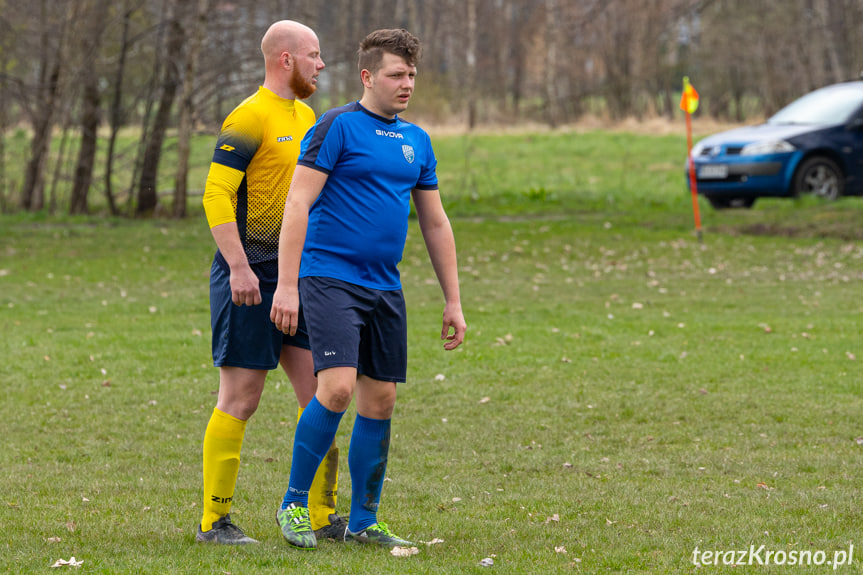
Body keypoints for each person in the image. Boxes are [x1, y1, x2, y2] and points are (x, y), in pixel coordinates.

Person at [269, 28, 466, 550]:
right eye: (396, 75)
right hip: (329, 278)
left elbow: (436, 223)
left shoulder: (416, 141)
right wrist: (286, 286)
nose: (407, 84)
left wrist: (453, 299)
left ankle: (363, 520)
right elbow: (297, 204)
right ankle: (292, 504)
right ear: (367, 76)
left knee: (380, 401)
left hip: (385, 286)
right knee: (335, 388)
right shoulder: (337, 126)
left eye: (412, 75)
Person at [197, 20, 346, 545]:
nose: (321, 64)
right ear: (286, 59)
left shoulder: (307, 116)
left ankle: (325, 516)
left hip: (299, 277)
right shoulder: (249, 115)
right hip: (250, 275)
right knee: (241, 397)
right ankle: (215, 522)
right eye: (314, 54)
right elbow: (216, 195)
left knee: (325, 395)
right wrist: (238, 265)